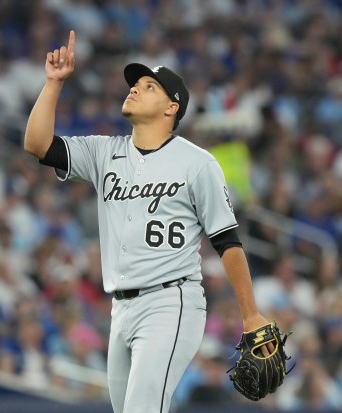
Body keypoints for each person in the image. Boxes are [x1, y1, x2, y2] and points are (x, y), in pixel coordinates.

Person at [22, 30, 274, 413]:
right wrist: (53, 84)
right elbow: (38, 144)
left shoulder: (197, 162)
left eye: (149, 86)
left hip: (170, 301)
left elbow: (227, 241)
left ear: (172, 107)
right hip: (120, 309)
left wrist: (251, 314)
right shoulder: (105, 152)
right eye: (135, 84)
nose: (135, 89)